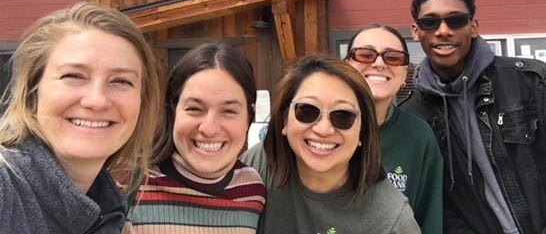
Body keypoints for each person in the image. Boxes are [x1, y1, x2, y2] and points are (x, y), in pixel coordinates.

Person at [0, 1, 161, 234]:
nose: (96, 100)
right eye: (74, 75)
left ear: (141, 102)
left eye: (120, 81)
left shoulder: (109, 212)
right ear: (32, 94)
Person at [401, 0, 546, 234]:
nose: (443, 30)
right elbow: (440, 203)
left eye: (455, 20)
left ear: (474, 27)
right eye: (430, 22)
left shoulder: (529, 80)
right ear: (416, 31)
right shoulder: (413, 115)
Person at [241, 55, 421, 234]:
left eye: (343, 116)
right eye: (307, 111)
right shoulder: (255, 167)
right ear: (284, 120)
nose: (324, 129)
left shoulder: (392, 221)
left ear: (363, 131)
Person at [126, 42, 266, 233]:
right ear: (173, 110)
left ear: (249, 116)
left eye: (229, 111)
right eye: (194, 109)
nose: (209, 129)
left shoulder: (252, 189)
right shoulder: (127, 184)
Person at [344, 24, 443, 234]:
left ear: (404, 73)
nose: (379, 63)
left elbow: (429, 219)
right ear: (346, 65)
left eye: (393, 57)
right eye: (365, 54)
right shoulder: (318, 129)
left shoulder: (418, 136)